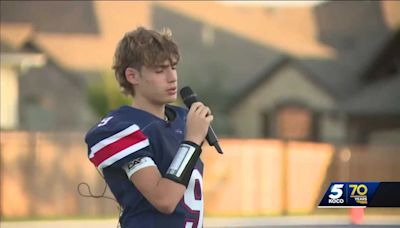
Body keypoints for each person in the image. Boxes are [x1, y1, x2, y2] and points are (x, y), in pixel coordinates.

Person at [85, 27, 213, 228]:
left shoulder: (182, 119)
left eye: (173, 67)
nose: (172, 77)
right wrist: (192, 141)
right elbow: (165, 200)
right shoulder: (121, 128)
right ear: (132, 76)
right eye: (160, 70)